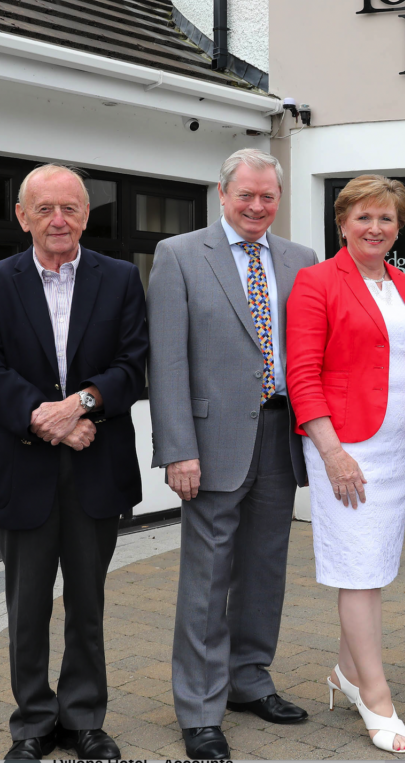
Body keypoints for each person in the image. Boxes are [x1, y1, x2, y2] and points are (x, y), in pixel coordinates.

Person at [0, 164, 148, 761]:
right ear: (22, 217)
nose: (58, 220)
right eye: (44, 209)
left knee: (89, 603)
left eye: (69, 208)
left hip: (98, 467)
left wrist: (80, 404)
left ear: (86, 216)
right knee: (27, 606)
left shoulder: (120, 278)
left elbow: (132, 364)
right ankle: (33, 723)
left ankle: (84, 719)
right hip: (24, 466)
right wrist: (54, 425)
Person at [146, 148, 316, 761]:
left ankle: (249, 680)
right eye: (246, 195)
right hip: (211, 444)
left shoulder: (301, 259)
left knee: (266, 569)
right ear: (222, 194)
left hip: (280, 435)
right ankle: (198, 707)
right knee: (207, 577)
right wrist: (177, 449)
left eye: (268, 196)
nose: (257, 206)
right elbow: (164, 361)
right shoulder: (180, 255)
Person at [285, 175, 405, 755]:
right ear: (342, 223)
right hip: (344, 448)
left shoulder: (404, 284)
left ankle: (345, 674)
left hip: (398, 447)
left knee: (373, 566)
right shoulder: (316, 282)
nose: (375, 229)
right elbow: (301, 375)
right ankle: (376, 697)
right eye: (364, 218)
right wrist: (331, 453)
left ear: (399, 227)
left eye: (387, 220)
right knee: (357, 570)